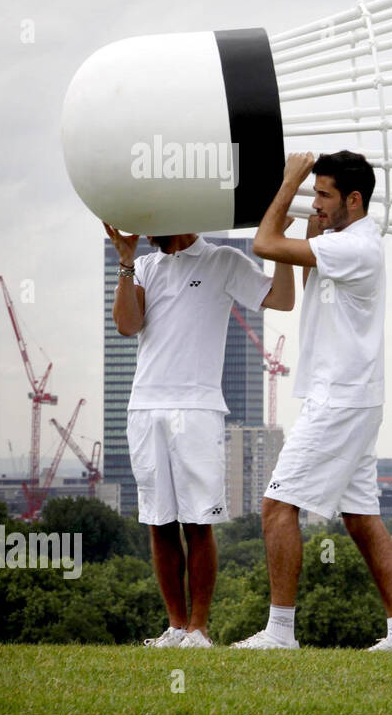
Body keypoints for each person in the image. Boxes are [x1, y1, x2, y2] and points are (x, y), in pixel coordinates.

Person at [232, 150, 392, 652]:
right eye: (313, 192)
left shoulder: (356, 246)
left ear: (353, 200)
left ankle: (280, 632)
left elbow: (264, 242)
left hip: (340, 399)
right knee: (361, 517)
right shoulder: (346, 242)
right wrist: (307, 213)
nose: (315, 203)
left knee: (276, 506)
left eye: (323, 194)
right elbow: (297, 277)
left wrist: (287, 184)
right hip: (350, 396)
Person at [106, 222, 295, 648]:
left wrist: (281, 246)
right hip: (145, 407)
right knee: (159, 523)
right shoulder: (148, 266)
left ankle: (199, 629)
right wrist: (125, 262)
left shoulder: (222, 260)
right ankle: (175, 627)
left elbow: (282, 299)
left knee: (198, 522)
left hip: (198, 409)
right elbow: (127, 325)